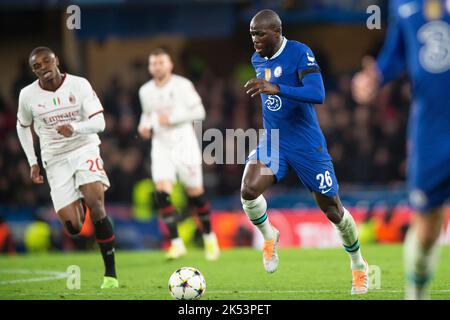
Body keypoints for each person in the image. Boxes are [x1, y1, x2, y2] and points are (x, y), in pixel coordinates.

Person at [241, 9, 369, 295]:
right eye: (251, 34)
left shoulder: (300, 53)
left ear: (276, 31)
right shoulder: (256, 59)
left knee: (333, 211)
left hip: (306, 145)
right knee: (249, 189)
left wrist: (277, 88)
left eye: (259, 33)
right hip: (274, 142)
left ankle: (358, 265)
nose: (255, 40)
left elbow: (317, 93)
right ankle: (269, 236)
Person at [352, 0, 450, 300]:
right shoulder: (404, 4)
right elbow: (396, 54)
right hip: (432, 131)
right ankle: (417, 293)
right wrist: (374, 77)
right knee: (428, 222)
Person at [16, 47, 118, 289]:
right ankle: (80, 195)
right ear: (33, 71)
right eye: (37, 66)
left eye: (46, 62)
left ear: (57, 61)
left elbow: (100, 122)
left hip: (84, 148)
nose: (43, 68)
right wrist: (33, 160)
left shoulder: (79, 85)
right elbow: (23, 126)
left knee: (96, 205)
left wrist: (75, 128)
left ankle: (110, 274)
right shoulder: (27, 95)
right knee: (73, 227)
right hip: (55, 159)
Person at [138, 48, 220, 261]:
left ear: (170, 65)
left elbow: (199, 112)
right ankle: (175, 243)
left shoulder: (183, 85)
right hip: (161, 147)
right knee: (162, 193)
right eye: (153, 63)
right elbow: (147, 115)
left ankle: (210, 237)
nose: (157, 67)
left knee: (195, 194)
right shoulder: (145, 91)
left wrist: (172, 117)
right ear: (150, 67)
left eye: (161, 63)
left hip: (184, 144)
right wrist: (143, 127)